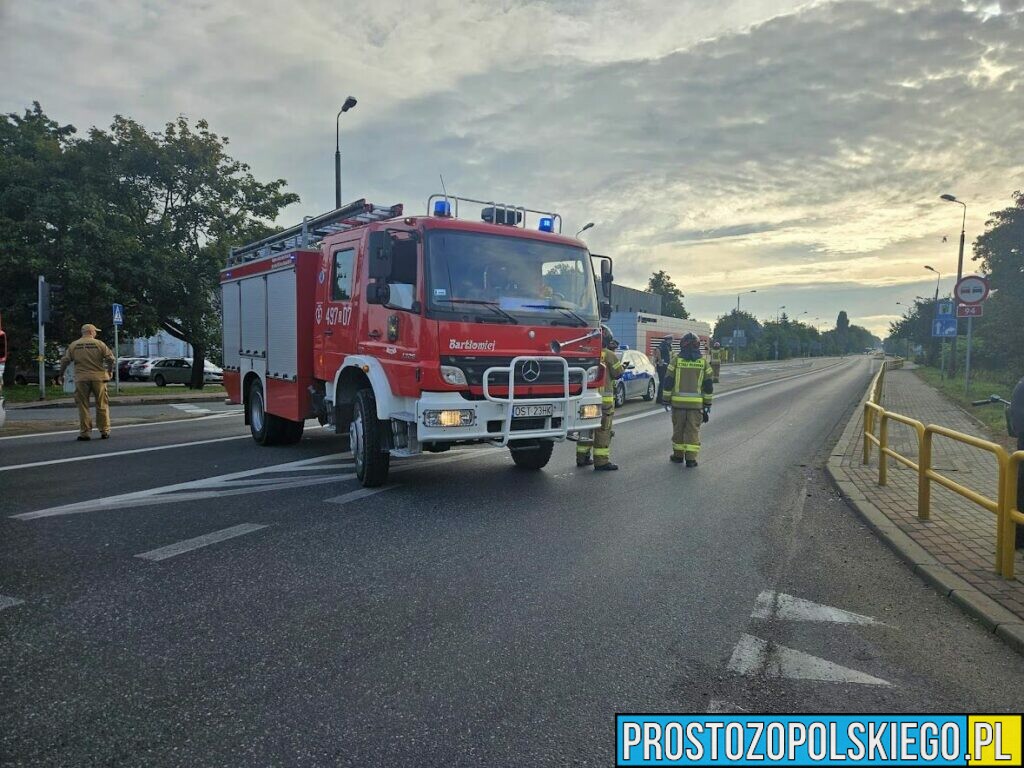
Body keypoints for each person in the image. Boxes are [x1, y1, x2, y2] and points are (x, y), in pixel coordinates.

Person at [577, 325, 625, 471]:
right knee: (603, 429)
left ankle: (582, 457)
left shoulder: (586, 352)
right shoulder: (610, 355)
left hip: (587, 399)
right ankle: (601, 461)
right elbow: (618, 373)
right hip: (604, 401)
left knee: (587, 428)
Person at [663, 333, 714, 467]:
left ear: (682, 345)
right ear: (697, 346)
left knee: (678, 430)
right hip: (696, 406)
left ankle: (678, 456)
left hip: (678, 404)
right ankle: (691, 459)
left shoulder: (675, 361)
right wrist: (708, 403)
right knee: (692, 431)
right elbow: (708, 385)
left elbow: (668, 381)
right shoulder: (703, 363)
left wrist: (666, 400)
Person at [59, 323, 115, 441]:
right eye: (95, 331)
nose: (96, 333)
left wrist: (61, 374)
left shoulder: (74, 345)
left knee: (83, 405)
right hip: (99, 378)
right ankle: (104, 430)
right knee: (102, 404)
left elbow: (65, 360)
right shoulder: (100, 344)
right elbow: (111, 359)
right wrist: (110, 371)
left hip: (81, 378)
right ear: (91, 332)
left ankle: (85, 432)